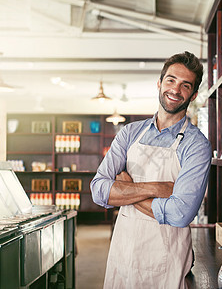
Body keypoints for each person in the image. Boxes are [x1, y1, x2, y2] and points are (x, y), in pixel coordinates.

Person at [90, 51, 211, 289]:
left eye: (185, 85)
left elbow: (180, 214)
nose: (175, 90)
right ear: (159, 83)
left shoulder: (197, 145)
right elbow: (99, 191)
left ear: (194, 94)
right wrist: (156, 188)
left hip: (166, 265)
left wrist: (126, 190)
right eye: (171, 80)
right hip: (122, 257)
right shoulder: (129, 133)